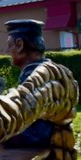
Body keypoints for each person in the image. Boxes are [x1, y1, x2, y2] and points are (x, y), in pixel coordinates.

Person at [3, 19, 56, 147]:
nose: (7, 50)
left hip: (37, 138)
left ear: (20, 45)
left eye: (9, 45)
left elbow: (30, 122)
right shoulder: (47, 68)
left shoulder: (32, 75)